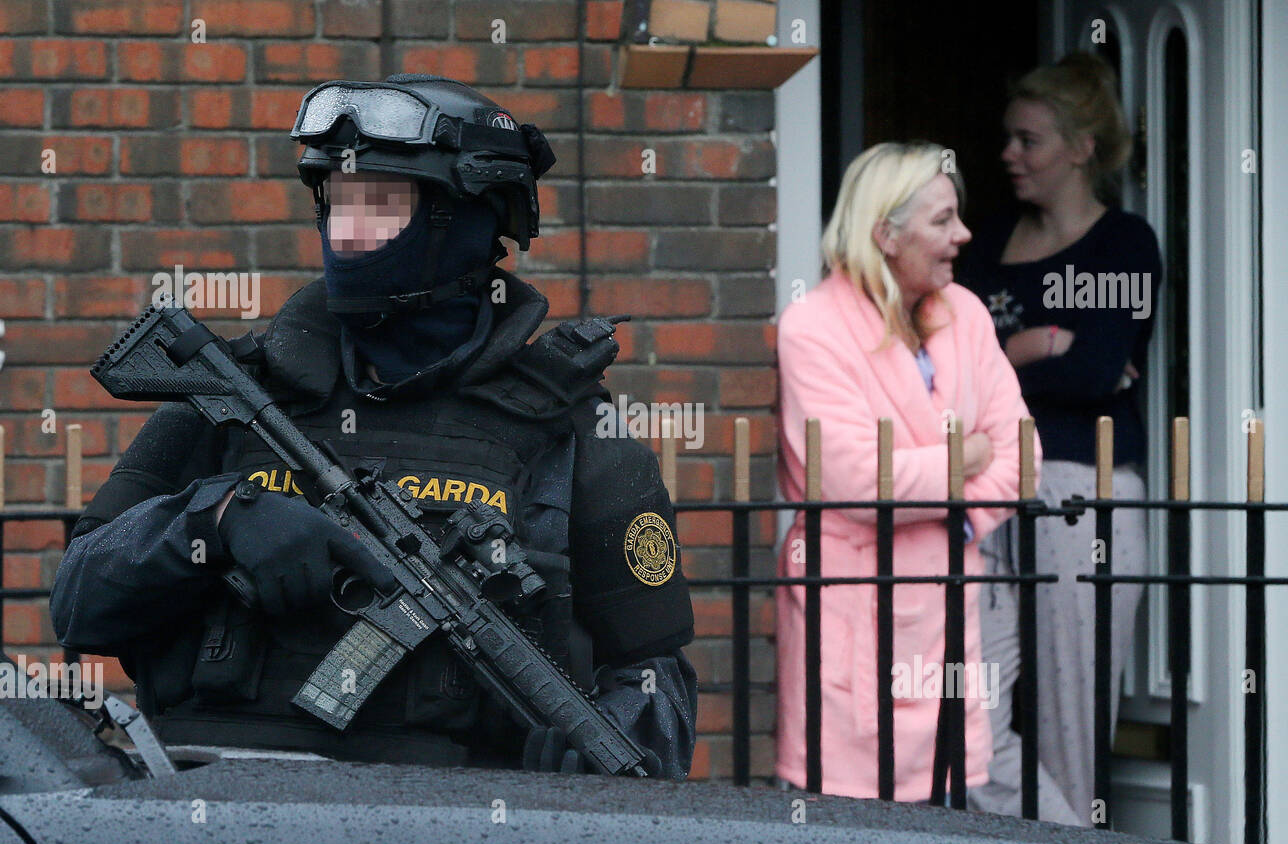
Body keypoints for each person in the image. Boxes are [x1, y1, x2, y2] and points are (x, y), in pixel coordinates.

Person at [49, 75, 697, 779]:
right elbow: (80, 602)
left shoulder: (573, 432)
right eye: (337, 202)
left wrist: (601, 755)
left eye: (381, 206)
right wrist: (215, 520)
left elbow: (657, 675)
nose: (347, 233)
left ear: (469, 220)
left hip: (452, 823)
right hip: (212, 807)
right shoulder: (230, 395)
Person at [775, 141, 1042, 801]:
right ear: (885, 234)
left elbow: (1020, 454)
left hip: (951, 596)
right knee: (848, 811)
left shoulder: (969, 316)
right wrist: (965, 456)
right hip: (854, 612)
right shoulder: (813, 328)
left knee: (950, 806)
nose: (964, 235)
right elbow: (859, 481)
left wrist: (960, 514)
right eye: (943, 220)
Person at [957, 52, 1162, 824]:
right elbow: (959, 371)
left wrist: (1003, 367)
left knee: (1071, 724)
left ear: (1080, 148)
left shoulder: (1125, 245)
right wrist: (1026, 351)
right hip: (986, 489)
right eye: (1009, 138)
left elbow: (1099, 368)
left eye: (1029, 140)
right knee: (964, 705)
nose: (1009, 154)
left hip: (1083, 490)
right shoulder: (986, 246)